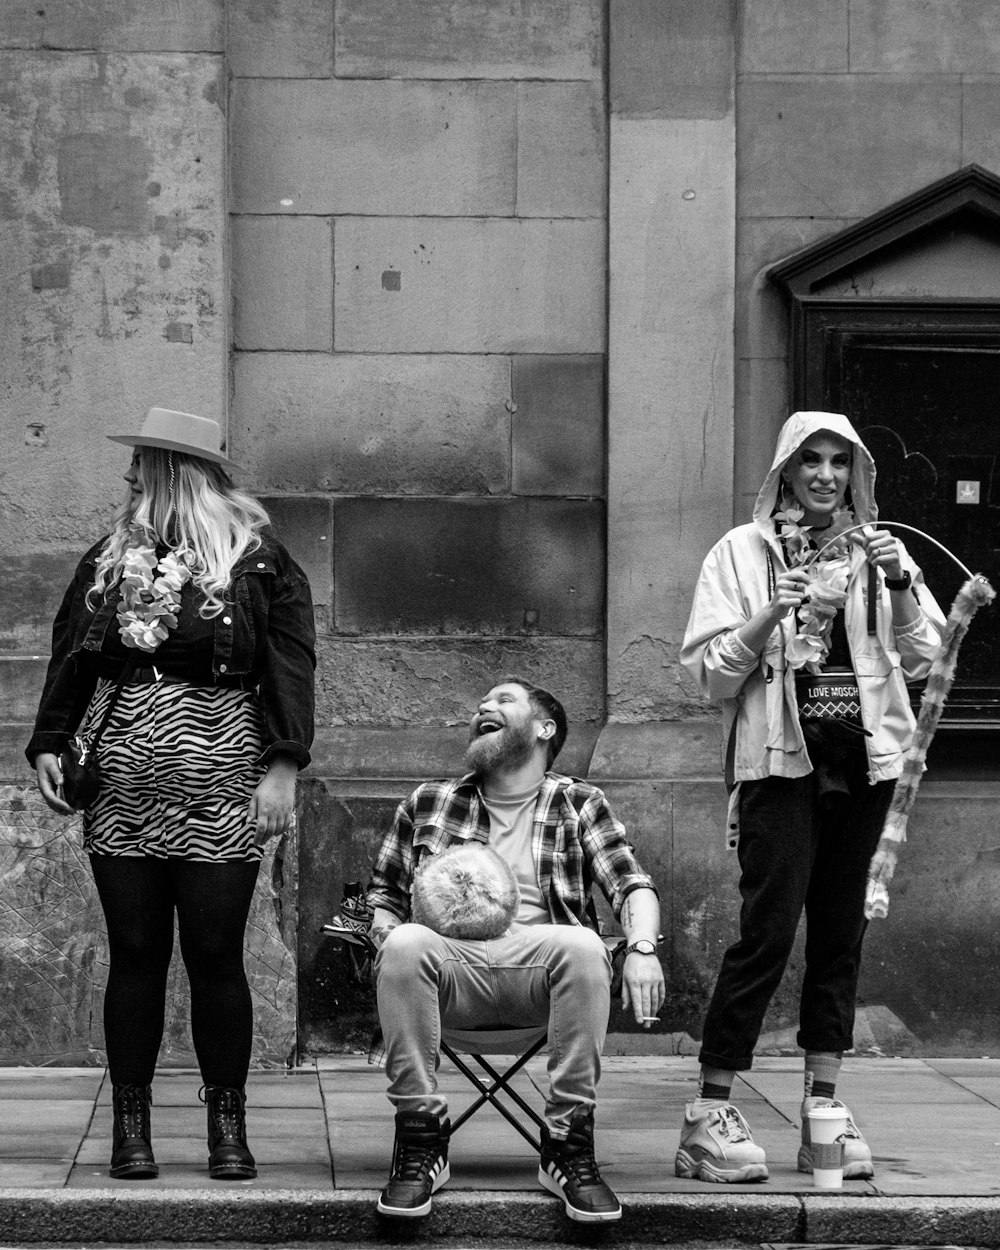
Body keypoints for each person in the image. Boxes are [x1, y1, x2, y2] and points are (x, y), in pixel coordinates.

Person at [26, 408, 316, 1181]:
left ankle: (227, 1125)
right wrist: (49, 741)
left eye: (137, 467)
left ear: (169, 475)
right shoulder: (109, 559)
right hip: (123, 778)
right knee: (138, 954)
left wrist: (283, 766)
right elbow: (71, 658)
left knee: (217, 954)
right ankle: (132, 1128)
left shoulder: (261, 564)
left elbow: (290, 668)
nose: (126, 480)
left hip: (221, 778)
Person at [677, 411, 944, 1183]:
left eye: (838, 462)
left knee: (839, 939)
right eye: (810, 462)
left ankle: (824, 1106)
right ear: (785, 474)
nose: (825, 475)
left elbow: (923, 657)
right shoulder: (740, 553)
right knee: (764, 935)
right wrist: (771, 612)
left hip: (865, 767)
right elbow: (706, 676)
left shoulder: (876, 551)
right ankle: (710, 1110)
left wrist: (896, 580)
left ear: (853, 473)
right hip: (779, 766)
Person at [366, 677, 665, 1223]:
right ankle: (420, 1142)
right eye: (481, 702)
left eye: (504, 701)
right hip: (447, 975)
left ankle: (567, 1144)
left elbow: (630, 884)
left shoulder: (579, 802)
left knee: (582, 943)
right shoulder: (430, 801)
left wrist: (642, 947)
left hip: (542, 980)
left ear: (545, 729)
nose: (484, 706)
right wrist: (386, 939)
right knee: (407, 939)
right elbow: (382, 896)